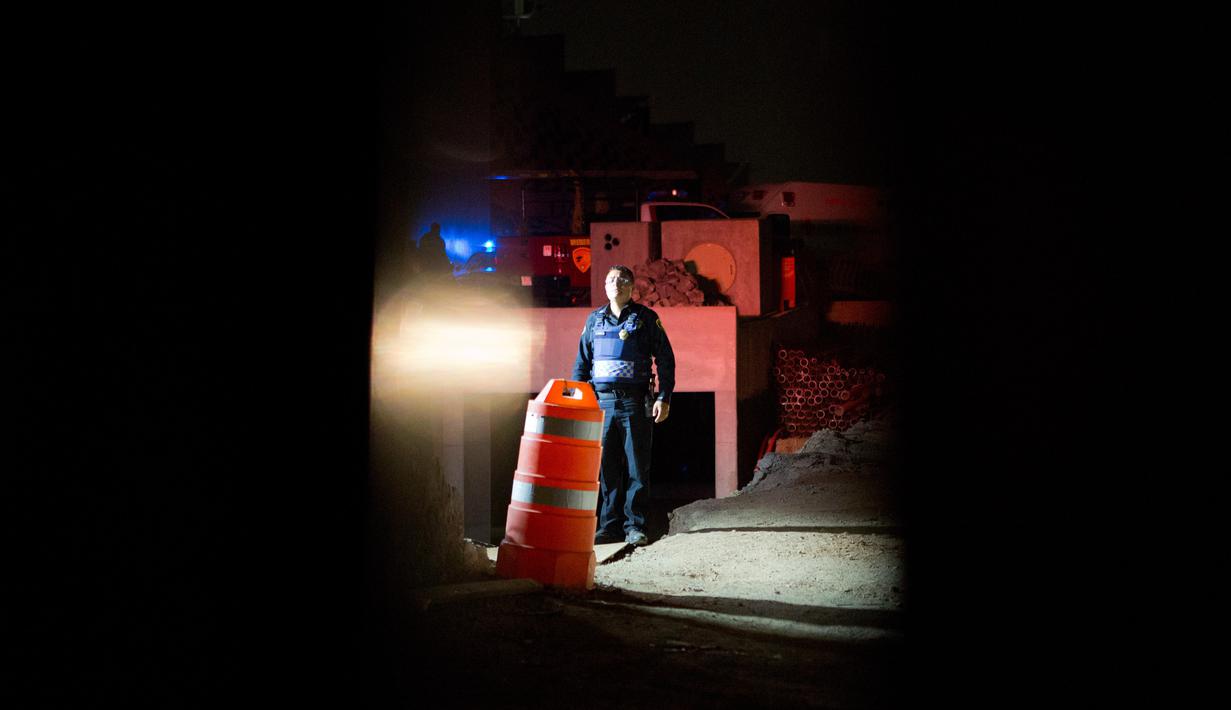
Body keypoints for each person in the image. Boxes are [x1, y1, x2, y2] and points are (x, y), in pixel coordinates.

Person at [573, 265, 675, 547]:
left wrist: (663, 397)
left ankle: (635, 526)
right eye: (610, 280)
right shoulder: (594, 321)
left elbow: (665, 360)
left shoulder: (646, 319)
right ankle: (610, 526)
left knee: (636, 467)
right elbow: (581, 365)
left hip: (634, 403)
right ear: (604, 287)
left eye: (621, 279)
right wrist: (578, 404)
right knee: (607, 469)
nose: (615, 284)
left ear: (632, 287)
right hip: (601, 404)